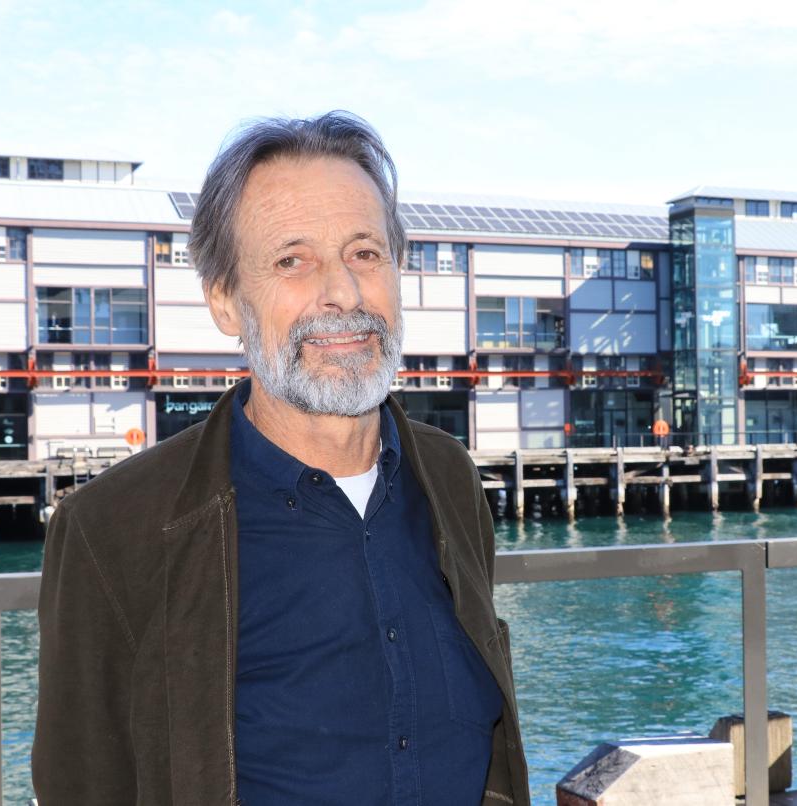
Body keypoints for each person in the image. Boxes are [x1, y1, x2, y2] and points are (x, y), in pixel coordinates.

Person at [32, 112, 529, 805]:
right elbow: (81, 782)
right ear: (225, 301)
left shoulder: (447, 479)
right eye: (293, 260)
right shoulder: (114, 528)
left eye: (365, 253)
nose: (344, 294)